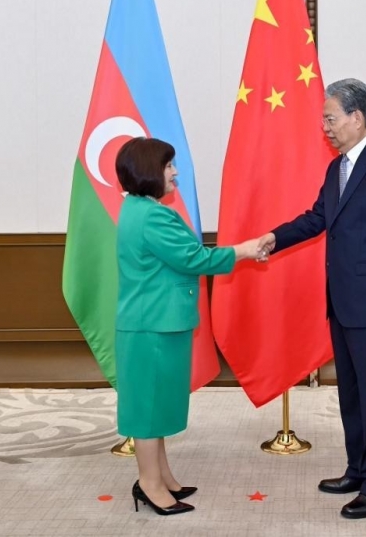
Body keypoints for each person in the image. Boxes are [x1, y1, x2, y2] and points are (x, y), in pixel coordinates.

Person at [256, 78, 366, 519]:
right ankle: (359, 468)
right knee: (353, 392)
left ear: (356, 117)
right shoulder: (337, 168)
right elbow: (317, 219)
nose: (325, 127)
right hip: (344, 301)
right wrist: (274, 237)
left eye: (330, 118)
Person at [114, 137, 262, 516]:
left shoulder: (139, 209)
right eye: (168, 166)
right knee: (148, 410)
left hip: (157, 322)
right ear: (149, 170)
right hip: (153, 324)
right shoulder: (152, 216)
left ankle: (161, 476)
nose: (174, 172)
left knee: (157, 404)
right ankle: (149, 484)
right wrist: (245, 250)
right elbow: (192, 258)